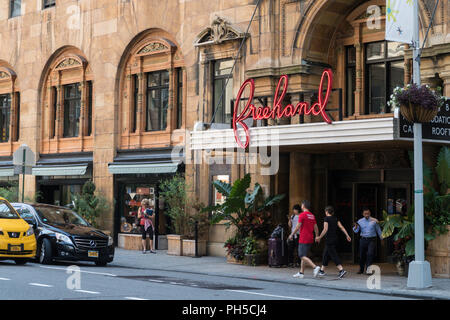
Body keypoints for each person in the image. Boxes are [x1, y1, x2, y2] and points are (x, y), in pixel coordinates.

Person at [315, 206, 351, 279]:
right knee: (325, 254)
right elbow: (342, 227)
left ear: (327, 212)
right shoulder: (335, 219)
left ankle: (341, 270)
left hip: (329, 239)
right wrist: (347, 235)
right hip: (334, 239)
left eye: (325, 212)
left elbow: (325, 229)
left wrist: (319, 237)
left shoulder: (326, 219)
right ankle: (322, 271)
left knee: (333, 255)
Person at [288, 200, 321, 279]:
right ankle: (301, 272)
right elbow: (316, 227)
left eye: (302, 205)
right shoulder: (312, 216)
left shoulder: (302, 215)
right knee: (304, 255)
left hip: (303, 237)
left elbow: (297, 226)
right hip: (310, 237)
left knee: (301, 255)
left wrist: (292, 234)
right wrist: (317, 236)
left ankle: (315, 267)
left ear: (303, 206)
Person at [353, 207, 383, 274]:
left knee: (370, 254)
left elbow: (378, 230)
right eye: (365, 213)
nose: (367, 215)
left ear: (370, 213)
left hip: (371, 240)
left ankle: (368, 270)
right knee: (361, 255)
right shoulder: (360, 221)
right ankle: (361, 269)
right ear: (363, 214)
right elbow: (356, 231)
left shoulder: (374, 221)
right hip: (363, 239)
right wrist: (355, 227)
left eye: (368, 213)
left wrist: (382, 239)